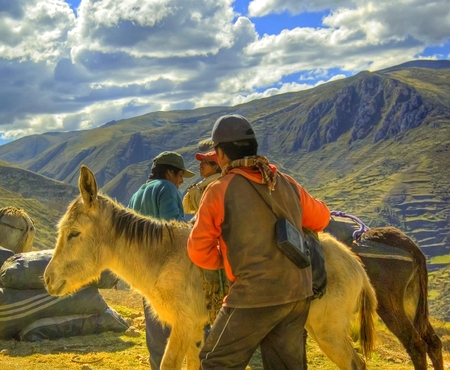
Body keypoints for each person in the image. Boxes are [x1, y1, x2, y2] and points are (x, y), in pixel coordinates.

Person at [187, 114, 331, 370]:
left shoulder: (219, 190)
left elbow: (198, 251)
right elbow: (321, 218)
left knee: (215, 362)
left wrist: (226, 258)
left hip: (253, 296)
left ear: (220, 155)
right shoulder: (285, 182)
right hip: (297, 292)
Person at [127, 151, 194, 370]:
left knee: (155, 329)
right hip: (170, 270)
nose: (181, 180)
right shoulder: (167, 188)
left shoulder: (137, 195)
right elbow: (173, 228)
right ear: (169, 172)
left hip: (145, 272)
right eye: (179, 175)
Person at [182, 151, 221, 216]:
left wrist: (194, 192)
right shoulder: (206, 184)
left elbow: (207, 209)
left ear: (215, 167)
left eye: (205, 162)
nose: (200, 164)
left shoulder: (217, 185)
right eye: (201, 162)